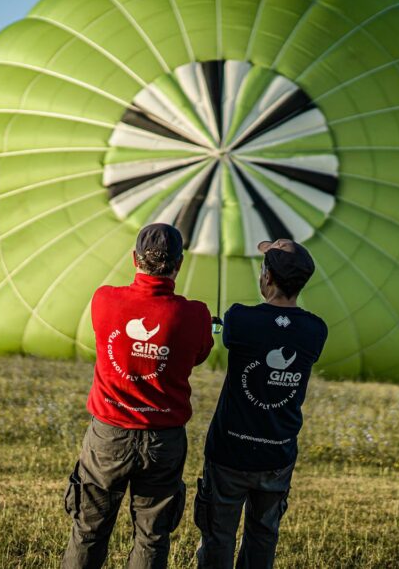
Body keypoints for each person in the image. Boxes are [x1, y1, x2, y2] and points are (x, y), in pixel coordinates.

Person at [62, 223, 214, 569]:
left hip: (108, 436)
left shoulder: (105, 299)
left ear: (135, 259)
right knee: (152, 536)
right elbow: (200, 354)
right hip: (164, 440)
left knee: (89, 529)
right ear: (179, 264)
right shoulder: (196, 314)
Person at [194, 239, 328, 569]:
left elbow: (230, 336)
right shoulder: (315, 330)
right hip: (277, 454)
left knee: (218, 534)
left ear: (267, 277)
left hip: (230, 451)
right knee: (263, 534)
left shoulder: (240, 319)